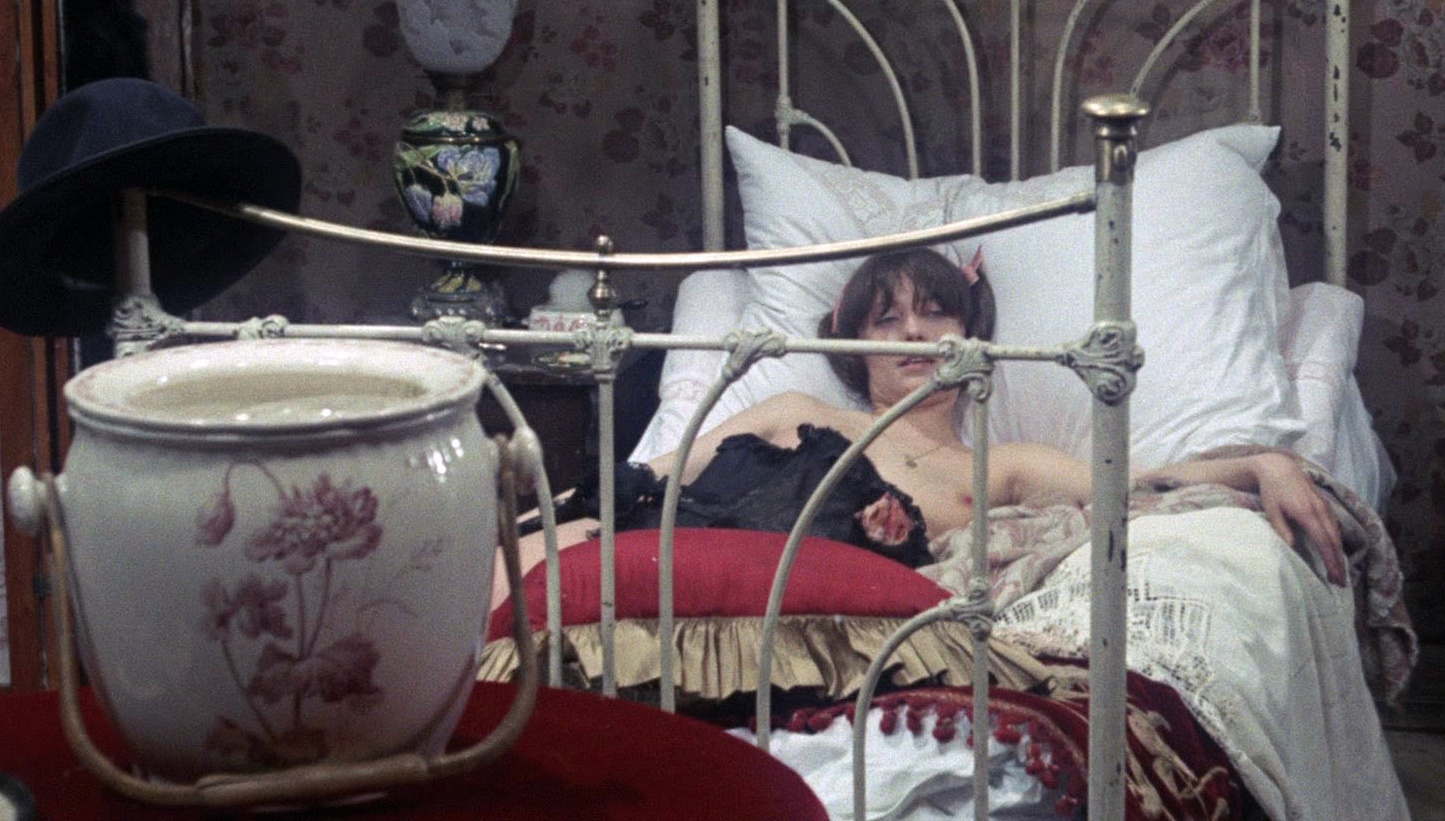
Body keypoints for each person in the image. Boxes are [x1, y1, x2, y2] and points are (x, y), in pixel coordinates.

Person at [497, 247, 1347, 606]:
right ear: (853, 343)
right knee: (496, 574)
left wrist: (1263, 463)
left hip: (794, 624)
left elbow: (1137, 483)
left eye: (936, 313)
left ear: (970, 338)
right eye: (887, 319)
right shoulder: (793, 413)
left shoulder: (1000, 469)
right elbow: (642, 486)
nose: (912, 333)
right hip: (647, 573)